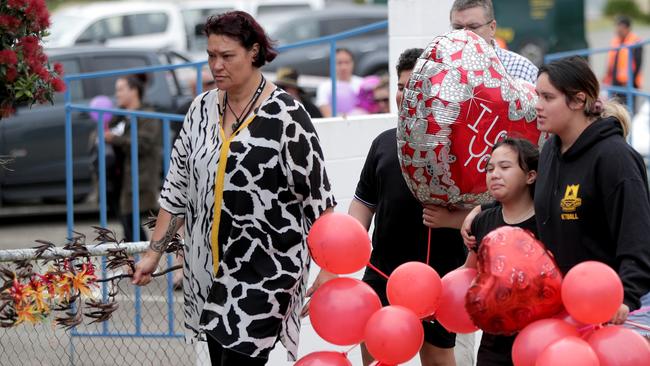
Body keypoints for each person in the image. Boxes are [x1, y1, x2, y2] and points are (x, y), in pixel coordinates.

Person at [132, 11, 336, 365]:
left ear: (254, 52)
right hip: (207, 272)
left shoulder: (288, 116)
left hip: (266, 274)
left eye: (227, 56)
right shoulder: (199, 110)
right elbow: (176, 190)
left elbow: (319, 202)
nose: (216, 65)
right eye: (211, 56)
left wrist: (329, 270)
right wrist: (153, 253)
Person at [349, 47, 468, 366]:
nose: (406, 95)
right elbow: (363, 204)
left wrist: (450, 219)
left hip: (439, 275)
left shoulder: (457, 145)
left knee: (437, 356)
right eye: (401, 88)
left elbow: (485, 215)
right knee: (375, 350)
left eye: (415, 87)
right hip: (382, 269)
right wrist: (350, 242)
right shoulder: (384, 142)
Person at [533, 56, 650, 323]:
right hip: (564, 307)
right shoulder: (550, 149)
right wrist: (481, 212)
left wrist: (626, 299)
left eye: (548, 98)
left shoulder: (615, 158)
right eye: (537, 95)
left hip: (612, 312)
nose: (537, 105)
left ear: (578, 100)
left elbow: (638, 239)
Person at [462, 138, 539, 366]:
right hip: (493, 349)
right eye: (489, 168)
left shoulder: (547, 221)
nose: (494, 174)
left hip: (539, 342)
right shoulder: (483, 221)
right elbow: (469, 271)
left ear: (530, 176)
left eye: (505, 167)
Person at [104, 73, 161, 243]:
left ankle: (142, 259)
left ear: (134, 91)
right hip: (117, 178)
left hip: (138, 176)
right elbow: (103, 133)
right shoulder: (119, 115)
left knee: (130, 221)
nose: (117, 94)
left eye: (120, 89)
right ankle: (136, 260)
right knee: (127, 222)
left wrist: (114, 139)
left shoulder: (147, 115)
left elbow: (143, 144)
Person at [450, 0, 538, 84]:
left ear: (492, 28)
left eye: (473, 27)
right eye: (458, 27)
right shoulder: (443, 67)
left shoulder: (522, 70)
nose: (465, 34)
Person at [603, 15, 642, 108]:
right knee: (615, 107)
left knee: (628, 108)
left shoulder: (636, 42)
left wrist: (630, 81)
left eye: (621, 28)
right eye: (617, 28)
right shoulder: (615, 41)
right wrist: (607, 76)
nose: (618, 31)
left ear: (627, 28)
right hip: (615, 82)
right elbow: (612, 61)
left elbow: (638, 64)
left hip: (628, 83)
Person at [315, 48, 364, 117]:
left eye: (347, 62)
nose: (343, 67)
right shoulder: (324, 86)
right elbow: (327, 114)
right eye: (339, 63)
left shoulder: (362, 83)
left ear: (353, 63)